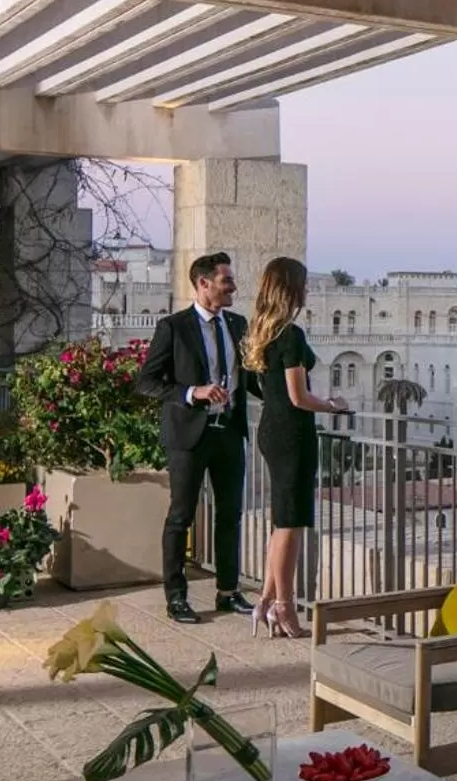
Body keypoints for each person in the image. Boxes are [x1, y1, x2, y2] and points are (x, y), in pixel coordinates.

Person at [139, 252, 259, 624]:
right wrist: (194, 393)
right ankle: (176, 597)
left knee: (230, 516)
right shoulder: (173, 327)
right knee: (181, 517)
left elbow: (252, 379)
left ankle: (228, 592)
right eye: (227, 281)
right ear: (203, 283)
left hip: (229, 434)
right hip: (188, 436)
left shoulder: (239, 325)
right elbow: (146, 382)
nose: (233, 287)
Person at [241, 257, 350, 638]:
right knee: (291, 523)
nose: (306, 290)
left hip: (272, 430)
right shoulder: (290, 335)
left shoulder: (260, 332)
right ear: (291, 288)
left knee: (282, 521)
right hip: (292, 434)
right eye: (302, 283)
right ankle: (284, 607)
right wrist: (333, 405)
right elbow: (299, 397)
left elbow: (259, 388)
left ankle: (267, 601)